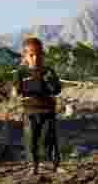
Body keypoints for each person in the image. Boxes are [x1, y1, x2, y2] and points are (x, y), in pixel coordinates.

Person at [12, 37, 63, 176]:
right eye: (32, 55)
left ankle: (51, 164)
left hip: (48, 111)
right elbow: (16, 90)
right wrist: (15, 91)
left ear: (43, 55)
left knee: (48, 138)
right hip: (30, 112)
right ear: (25, 56)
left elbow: (57, 89)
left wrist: (49, 81)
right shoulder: (21, 73)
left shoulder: (48, 71)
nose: (36, 58)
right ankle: (33, 166)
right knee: (30, 140)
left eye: (39, 54)